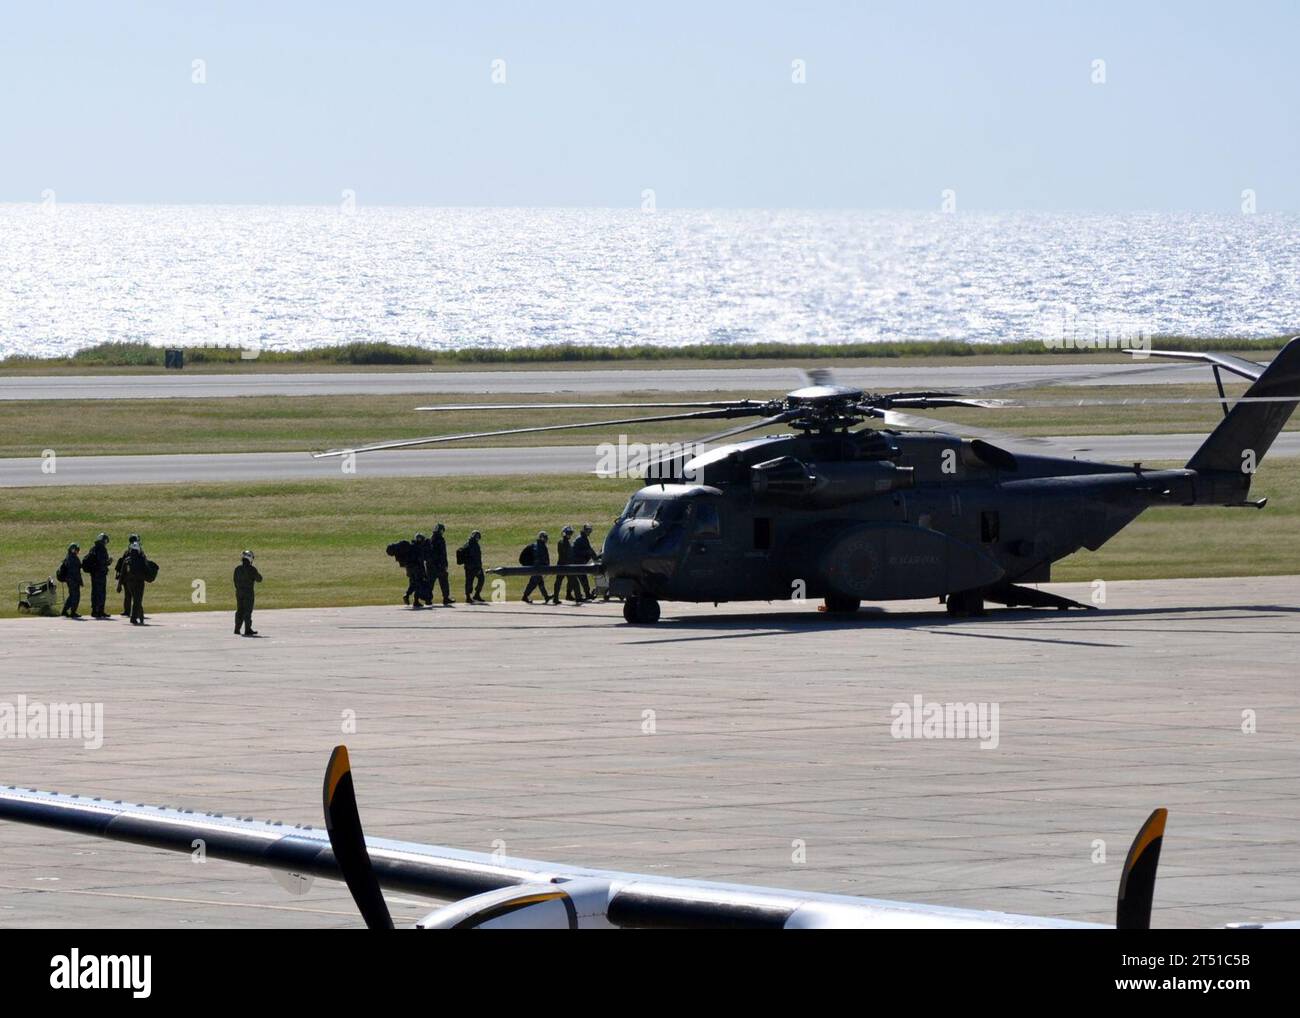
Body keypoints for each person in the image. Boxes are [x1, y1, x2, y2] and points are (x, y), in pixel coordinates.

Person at [83, 533, 113, 618]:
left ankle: (95, 610)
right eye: (105, 541)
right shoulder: (101, 549)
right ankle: (99, 611)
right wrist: (108, 562)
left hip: (94, 574)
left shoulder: (93, 548)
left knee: (95, 592)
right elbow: (101, 562)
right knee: (100, 592)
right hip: (100, 574)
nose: (106, 543)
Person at [233, 549, 263, 636]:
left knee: (239, 610)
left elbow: (234, 581)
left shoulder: (237, 569)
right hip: (248, 593)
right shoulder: (251, 569)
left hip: (239, 592)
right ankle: (247, 629)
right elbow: (259, 579)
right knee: (247, 611)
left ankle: (237, 629)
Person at [120, 538, 149, 625]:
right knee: (137, 600)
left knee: (137, 600)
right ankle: (134, 618)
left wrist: (119, 585)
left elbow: (122, 573)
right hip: (139, 583)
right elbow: (146, 569)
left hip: (129, 583)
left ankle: (141, 617)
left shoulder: (127, 560)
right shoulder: (141, 559)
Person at [521, 531, 552, 604]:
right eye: (545, 538)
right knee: (536, 583)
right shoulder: (540, 546)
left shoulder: (538, 545)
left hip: (537, 567)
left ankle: (545, 596)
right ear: (541, 538)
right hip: (537, 568)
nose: (546, 539)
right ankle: (526, 596)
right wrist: (546, 565)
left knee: (536, 582)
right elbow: (541, 557)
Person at [429, 522, 454, 606]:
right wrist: (444, 564)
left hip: (433, 566)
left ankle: (428, 599)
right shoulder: (439, 540)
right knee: (443, 582)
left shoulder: (431, 539)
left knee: (432, 583)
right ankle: (445, 598)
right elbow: (442, 554)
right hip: (439, 566)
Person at [115, 532, 140, 617]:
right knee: (136, 597)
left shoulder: (127, 552)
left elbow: (122, 566)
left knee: (128, 595)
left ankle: (127, 611)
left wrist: (120, 582)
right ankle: (136, 612)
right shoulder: (138, 552)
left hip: (127, 578)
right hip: (134, 578)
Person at [555, 526, 582, 604]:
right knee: (573, 582)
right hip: (565, 566)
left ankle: (566, 596)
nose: (569, 535)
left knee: (562, 582)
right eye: (568, 533)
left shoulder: (565, 542)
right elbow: (565, 554)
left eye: (570, 533)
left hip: (563, 565)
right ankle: (578, 598)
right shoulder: (563, 542)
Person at [571, 523, 597, 601]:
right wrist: (596, 558)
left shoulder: (582, 538)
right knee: (583, 579)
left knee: (579, 580)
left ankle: (585, 594)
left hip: (578, 562)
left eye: (590, 530)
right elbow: (589, 550)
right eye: (588, 530)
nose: (589, 532)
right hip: (578, 562)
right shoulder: (582, 539)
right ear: (585, 530)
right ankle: (584, 595)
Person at [58, 543, 84, 619]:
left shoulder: (69, 557)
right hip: (73, 581)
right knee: (76, 596)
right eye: (76, 550)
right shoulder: (72, 558)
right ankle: (73, 612)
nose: (77, 551)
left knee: (71, 596)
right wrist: (80, 581)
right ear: (73, 550)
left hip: (70, 580)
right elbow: (75, 572)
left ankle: (64, 611)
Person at [459, 530, 486, 603]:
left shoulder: (467, 544)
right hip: (474, 567)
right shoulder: (474, 545)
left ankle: (470, 596)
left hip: (468, 567)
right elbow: (477, 558)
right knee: (480, 579)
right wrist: (479, 567)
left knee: (469, 582)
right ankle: (474, 595)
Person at [410, 533, 433, 607]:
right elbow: (423, 558)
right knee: (420, 585)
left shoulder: (413, 547)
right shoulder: (419, 548)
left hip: (412, 570)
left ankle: (418, 600)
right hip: (418, 569)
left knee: (416, 585)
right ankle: (422, 600)